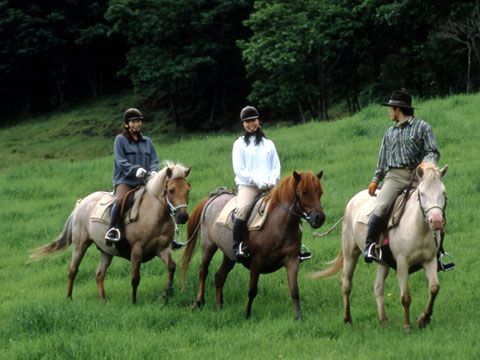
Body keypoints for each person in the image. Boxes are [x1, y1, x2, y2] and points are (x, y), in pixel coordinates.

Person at [364, 90, 453, 269]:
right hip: (394, 177)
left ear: (398, 109)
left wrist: (424, 164)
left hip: (417, 176)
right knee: (381, 206)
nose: (389, 112)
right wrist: (375, 179)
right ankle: (370, 245)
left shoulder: (422, 127)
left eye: (391, 108)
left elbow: (433, 151)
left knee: (435, 207)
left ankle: (439, 253)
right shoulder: (389, 133)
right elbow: (382, 160)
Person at [231, 106, 281, 260]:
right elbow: (240, 170)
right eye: (246, 121)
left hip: (270, 185)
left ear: (259, 121)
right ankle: (237, 246)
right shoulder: (239, 144)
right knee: (242, 209)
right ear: (243, 124)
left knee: (289, 205)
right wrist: (258, 182)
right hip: (249, 186)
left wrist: (272, 181)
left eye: (252, 120)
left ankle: (296, 245)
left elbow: (276, 167)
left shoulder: (269, 144)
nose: (250, 124)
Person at [105, 108, 160, 243]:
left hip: (145, 181)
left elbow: (154, 160)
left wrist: (154, 170)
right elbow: (121, 161)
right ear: (126, 124)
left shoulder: (147, 141)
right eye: (134, 122)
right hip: (125, 181)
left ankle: (166, 234)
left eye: (139, 121)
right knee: (120, 200)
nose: (137, 124)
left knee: (162, 199)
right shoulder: (120, 140)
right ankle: (112, 230)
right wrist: (135, 170)